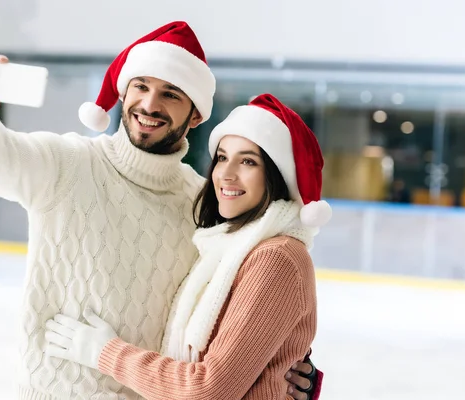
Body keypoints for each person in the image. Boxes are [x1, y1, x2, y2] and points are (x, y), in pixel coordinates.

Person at [0, 20, 319, 399]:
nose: (150, 104)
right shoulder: (67, 163)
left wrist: (280, 363)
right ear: (123, 92)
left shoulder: (205, 204)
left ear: (196, 115)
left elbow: (230, 319)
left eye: (171, 93)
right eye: (141, 85)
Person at [44, 93, 331, 399]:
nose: (226, 174)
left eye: (248, 161)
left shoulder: (276, 258)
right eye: (222, 157)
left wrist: (105, 352)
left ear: (278, 174)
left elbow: (209, 389)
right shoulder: (225, 246)